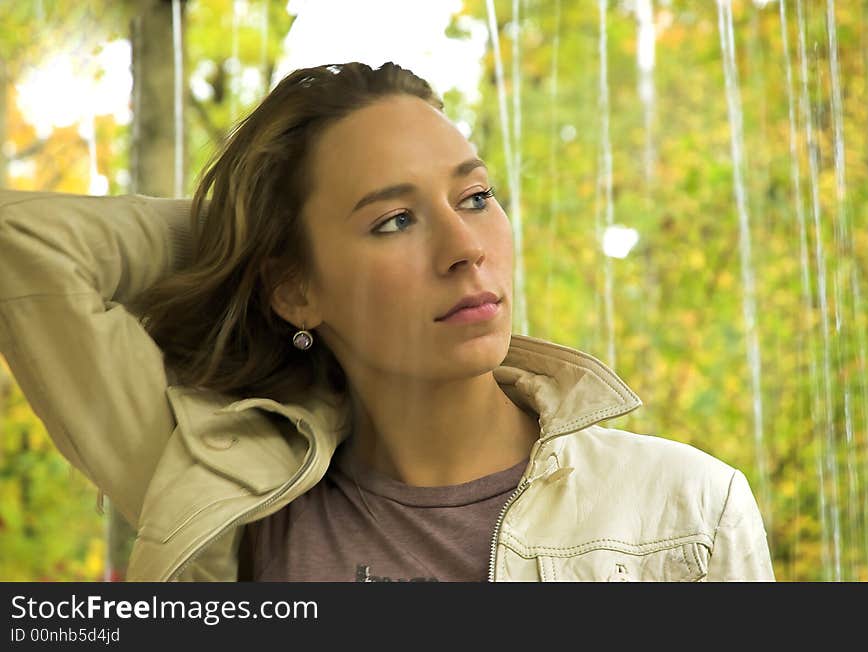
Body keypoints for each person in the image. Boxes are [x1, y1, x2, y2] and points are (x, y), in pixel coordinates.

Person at [0, 61, 774, 582]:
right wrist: (248, 238)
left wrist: (297, 242)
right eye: (395, 221)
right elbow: (21, 243)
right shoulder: (224, 489)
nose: (467, 248)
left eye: (475, 198)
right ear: (295, 293)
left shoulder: (688, 511)